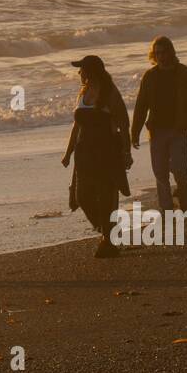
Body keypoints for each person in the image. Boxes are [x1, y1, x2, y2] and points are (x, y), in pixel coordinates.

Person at [61, 54, 132, 258]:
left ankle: (108, 240)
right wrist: (68, 153)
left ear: (91, 71)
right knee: (82, 197)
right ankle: (106, 230)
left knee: (106, 197)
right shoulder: (82, 93)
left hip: (106, 152)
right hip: (84, 154)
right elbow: (76, 127)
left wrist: (126, 151)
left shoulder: (109, 92)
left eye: (81, 69)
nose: (79, 72)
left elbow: (123, 123)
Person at [131, 36, 187, 213]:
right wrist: (134, 131)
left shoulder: (185, 73)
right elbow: (141, 106)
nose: (161, 56)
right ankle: (166, 208)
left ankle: (183, 194)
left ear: (171, 52)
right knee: (160, 172)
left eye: (163, 52)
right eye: (157, 53)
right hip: (157, 130)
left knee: (178, 167)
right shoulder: (150, 76)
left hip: (179, 128)